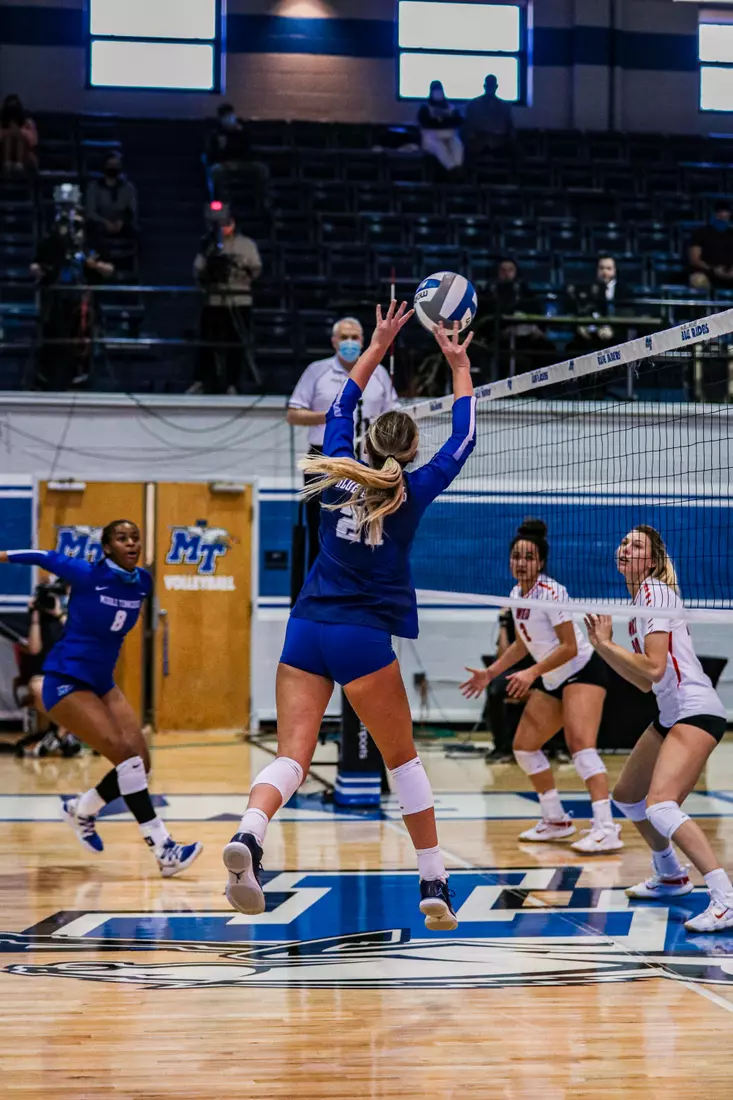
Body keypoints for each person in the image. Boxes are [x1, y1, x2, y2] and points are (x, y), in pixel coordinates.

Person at [222, 305, 477, 930]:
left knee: (292, 758)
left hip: (306, 629)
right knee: (405, 762)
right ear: (410, 452)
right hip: (362, 639)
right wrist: (460, 364)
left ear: (365, 442)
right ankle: (433, 879)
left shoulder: (336, 474)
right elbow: (464, 438)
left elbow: (339, 407)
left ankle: (250, 837)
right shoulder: (413, 492)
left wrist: (380, 343)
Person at [0, 520, 202, 877]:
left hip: (101, 682)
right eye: (122, 539)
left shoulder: (143, 581)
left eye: (135, 538)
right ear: (107, 547)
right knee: (126, 760)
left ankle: (83, 809)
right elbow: (40, 556)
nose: (131, 544)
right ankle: (164, 848)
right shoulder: (84, 573)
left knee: (141, 761)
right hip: (64, 680)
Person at [585, 525, 733, 933]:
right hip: (671, 714)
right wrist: (604, 646)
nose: (624, 548)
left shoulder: (656, 593)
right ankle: (670, 875)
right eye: (623, 543)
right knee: (628, 796)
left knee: (661, 805)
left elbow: (653, 667)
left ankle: (724, 898)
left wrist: (603, 643)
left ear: (651, 561)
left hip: (695, 710)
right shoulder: (638, 604)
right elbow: (644, 683)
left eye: (635, 546)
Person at [461, 519, 621, 853]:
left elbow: (569, 647)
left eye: (529, 557)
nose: (521, 562)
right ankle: (556, 820)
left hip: (582, 671)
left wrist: (531, 674)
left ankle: (606, 828)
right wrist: (490, 674)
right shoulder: (517, 595)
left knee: (581, 748)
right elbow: (522, 644)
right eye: (517, 556)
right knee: (524, 746)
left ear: (541, 562)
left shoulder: (553, 593)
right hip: (552, 677)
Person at [287, 316, 400, 570]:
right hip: (324, 458)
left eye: (355, 337)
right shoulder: (317, 371)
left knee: (368, 530)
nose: (350, 342)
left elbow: (394, 415)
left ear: (363, 341)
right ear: (334, 341)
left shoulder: (378, 373)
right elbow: (293, 413)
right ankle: (318, 591)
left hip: (369, 460)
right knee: (322, 528)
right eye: (344, 337)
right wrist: (332, 417)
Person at [30, 210, 114, 390]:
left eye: (76, 224)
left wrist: (94, 265)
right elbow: (35, 264)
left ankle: (81, 380)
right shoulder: (51, 242)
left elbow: (109, 270)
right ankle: (47, 381)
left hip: (83, 302)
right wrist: (40, 270)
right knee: (53, 343)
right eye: (66, 224)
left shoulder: (92, 243)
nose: (71, 229)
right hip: (56, 302)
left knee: (82, 343)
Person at [189, 212, 262, 395]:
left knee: (235, 344)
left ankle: (233, 383)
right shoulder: (209, 245)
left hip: (239, 299)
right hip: (214, 300)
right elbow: (198, 270)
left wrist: (236, 266)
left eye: (227, 224)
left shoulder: (246, 244)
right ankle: (203, 381)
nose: (224, 228)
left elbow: (256, 269)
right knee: (207, 342)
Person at [206, 104, 268, 202]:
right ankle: (223, 205)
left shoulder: (243, 131)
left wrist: (241, 134)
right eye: (225, 116)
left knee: (261, 169)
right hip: (224, 165)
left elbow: (249, 151)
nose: (229, 118)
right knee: (216, 172)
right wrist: (222, 150)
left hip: (242, 163)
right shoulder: (216, 134)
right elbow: (211, 156)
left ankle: (263, 203)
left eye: (230, 115)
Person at [85, 153, 138, 260]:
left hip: (121, 222)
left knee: (136, 232)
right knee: (94, 232)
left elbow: (131, 209)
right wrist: (105, 222)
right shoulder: (94, 187)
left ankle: (132, 267)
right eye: (110, 164)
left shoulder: (128, 187)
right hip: (100, 222)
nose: (113, 168)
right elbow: (91, 211)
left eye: (116, 165)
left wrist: (121, 222)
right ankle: (105, 263)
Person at [462, 74, 514, 160]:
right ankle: (471, 173)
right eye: (489, 85)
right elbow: (466, 125)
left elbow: (510, 126)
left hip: (499, 140)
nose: (490, 87)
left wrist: (510, 138)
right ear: (484, 86)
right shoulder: (473, 104)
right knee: (465, 152)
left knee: (516, 151)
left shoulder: (504, 105)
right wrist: (471, 138)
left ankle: (515, 173)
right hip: (478, 139)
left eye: (492, 85)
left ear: (496, 86)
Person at [417, 80, 464, 172]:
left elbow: (459, 121)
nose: (437, 93)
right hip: (431, 137)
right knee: (441, 149)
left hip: (450, 136)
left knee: (458, 145)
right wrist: (442, 121)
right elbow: (426, 123)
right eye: (435, 90)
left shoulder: (451, 108)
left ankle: (458, 168)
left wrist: (442, 121)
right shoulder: (425, 108)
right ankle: (452, 170)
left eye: (439, 90)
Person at [688, 200, 733, 290]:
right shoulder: (700, 233)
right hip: (706, 271)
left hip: (729, 272)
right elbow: (695, 260)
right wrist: (713, 270)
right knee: (698, 280)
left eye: (726, 212)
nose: (723, 215)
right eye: (720, 212)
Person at [0, 94, 38, 176]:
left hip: (25, 154)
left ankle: (19, 165)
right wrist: (8, 132)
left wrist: (19, 132)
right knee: (8, 138)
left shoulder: (28, 123)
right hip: (2, 153)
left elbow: (33, 141)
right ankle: (7, 164)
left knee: (19, 137)